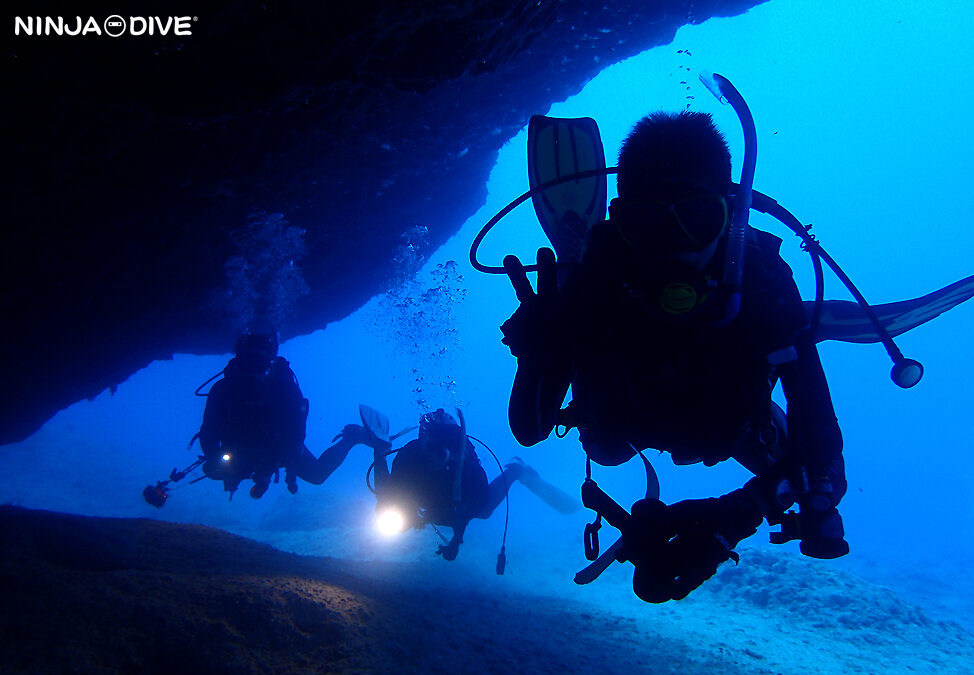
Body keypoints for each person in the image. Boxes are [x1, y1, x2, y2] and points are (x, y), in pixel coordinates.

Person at [500, 111, 848, 601]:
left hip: (729, 427)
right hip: (618, 422)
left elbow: (826, 473)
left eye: (697, 221)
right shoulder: (597, 281)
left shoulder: (764, 284)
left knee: (805, 465)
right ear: (620, 223)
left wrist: (734, 517)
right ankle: (576, 257)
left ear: (730, 218)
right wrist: (539, 354)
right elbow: (530, 429)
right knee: (605, 448)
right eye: (646, 225)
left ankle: (752, 423)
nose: (672, 252)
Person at [358, 408, 576, 561]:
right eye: (427, 452)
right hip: (428, 501)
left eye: (437, 454)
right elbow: (387, 494)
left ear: (450, 454)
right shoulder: (409, 456)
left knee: (483, 511)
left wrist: (456, 540)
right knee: (388, 508)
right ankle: (382, 453)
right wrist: (381, 454)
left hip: (454, 502)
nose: (431, 459)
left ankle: (515, 472)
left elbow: (471, 507)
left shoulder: (466, 466)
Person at [197, 322, 361, 498]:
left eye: (258, 364)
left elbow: (298, 429)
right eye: (249, 363)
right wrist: (215, 458)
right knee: (213, 470)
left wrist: (287, 461)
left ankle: (351, 439)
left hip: (278, 447)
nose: (252, 373)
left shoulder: (283, 386)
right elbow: (208, 432)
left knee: (316, 475)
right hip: (238, 449)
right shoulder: (222, 390)